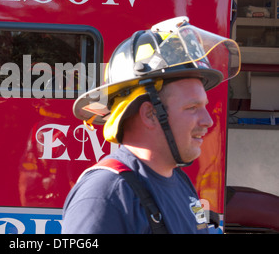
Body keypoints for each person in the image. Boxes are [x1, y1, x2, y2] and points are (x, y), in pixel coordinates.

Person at [61, 17, 240, 234]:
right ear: (150, 113)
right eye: (192, 107)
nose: (208, 121)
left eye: (203, 106)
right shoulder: (105, 195)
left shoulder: (180, 181)